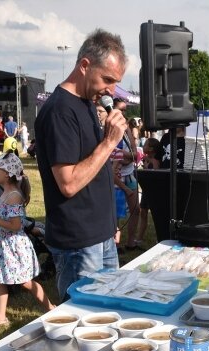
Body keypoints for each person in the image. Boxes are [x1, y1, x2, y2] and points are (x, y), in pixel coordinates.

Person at [34, 28, 128, 300]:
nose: (111, 90)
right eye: (107, 79)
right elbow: (69, 183)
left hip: (101, 235)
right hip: (78, 241)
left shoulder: (87, 102)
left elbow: (94, 171)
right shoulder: (59, 111)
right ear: (85, 66)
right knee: (83, 321)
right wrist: (109, 142)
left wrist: (111, 223)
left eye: (116, 82)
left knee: (110, 313)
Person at [0, 152, 54, 328]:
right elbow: (6, 216)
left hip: (15, 246)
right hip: (5, 245)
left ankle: (51, 308)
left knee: (25, 282)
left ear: (6, 173)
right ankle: (0, 316)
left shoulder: (14, 195)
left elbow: (15, 225)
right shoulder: (5, 194)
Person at [112, 98, 140, 250]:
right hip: (115, 180)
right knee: (115, 215)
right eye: (121, 109)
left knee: (135, 209)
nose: (124, 113)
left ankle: (131, 242)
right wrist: (126, 155)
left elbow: (135, 155)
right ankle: (114, 245)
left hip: (129, 175)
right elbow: (113, 154)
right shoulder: (110, 129)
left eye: (125, 110)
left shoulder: (127, 128)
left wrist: (125, 156)